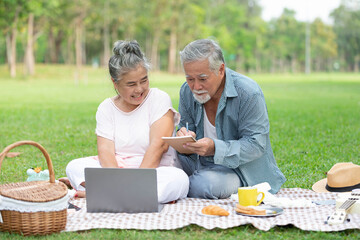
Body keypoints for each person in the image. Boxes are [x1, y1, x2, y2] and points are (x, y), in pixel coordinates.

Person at [63, 40, 189, 203]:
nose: (139, 89)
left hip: (155, 171)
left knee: (178, 179)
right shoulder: (106, 108)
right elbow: (106, 152)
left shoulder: (159, 98)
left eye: (144, 80)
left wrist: (132, 183)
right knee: (74, 167)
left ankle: (102, 194)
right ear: (115, 83)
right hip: (117, 172)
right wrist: (121, 182)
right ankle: (134, 196)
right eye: (131, 84)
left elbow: (159, 147)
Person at [176, 39, 286, 199]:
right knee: (162, 152)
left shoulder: (248, 93)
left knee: (205, 184)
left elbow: (256, 145)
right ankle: (178, 182)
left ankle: (180, 185)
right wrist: (183, 137)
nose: (196, 87)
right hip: (199, 164)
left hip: (239, 170)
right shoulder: (187, 92)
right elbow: (186, 129)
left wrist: (215, 148)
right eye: (190, 79)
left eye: (202, 79)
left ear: (220, 70)